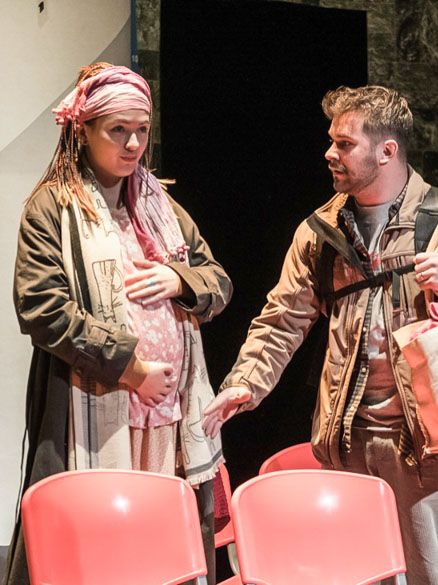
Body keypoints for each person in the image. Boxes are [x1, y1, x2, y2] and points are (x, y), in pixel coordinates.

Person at [202, 85, 438, 585]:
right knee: (354, 576)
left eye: (344, 144)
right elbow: (282, 319)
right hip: (346, 441)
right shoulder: (321, 231)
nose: (330, 153)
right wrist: (245, 382)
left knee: (432, 577)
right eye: (332, 141)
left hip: (426, 446)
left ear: (387, 150)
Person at [5, 62, 232, 585]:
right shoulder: (52, 208)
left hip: (169, 418)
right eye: (118, 130)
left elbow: (218, 280)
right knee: (101, 550)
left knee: (163, 550)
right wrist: (132, 369)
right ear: (82, 131)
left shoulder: (162, 205)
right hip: (94, 409)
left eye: (142, 130)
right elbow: (42, 308)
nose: (133, 144)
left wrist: (180, 280)